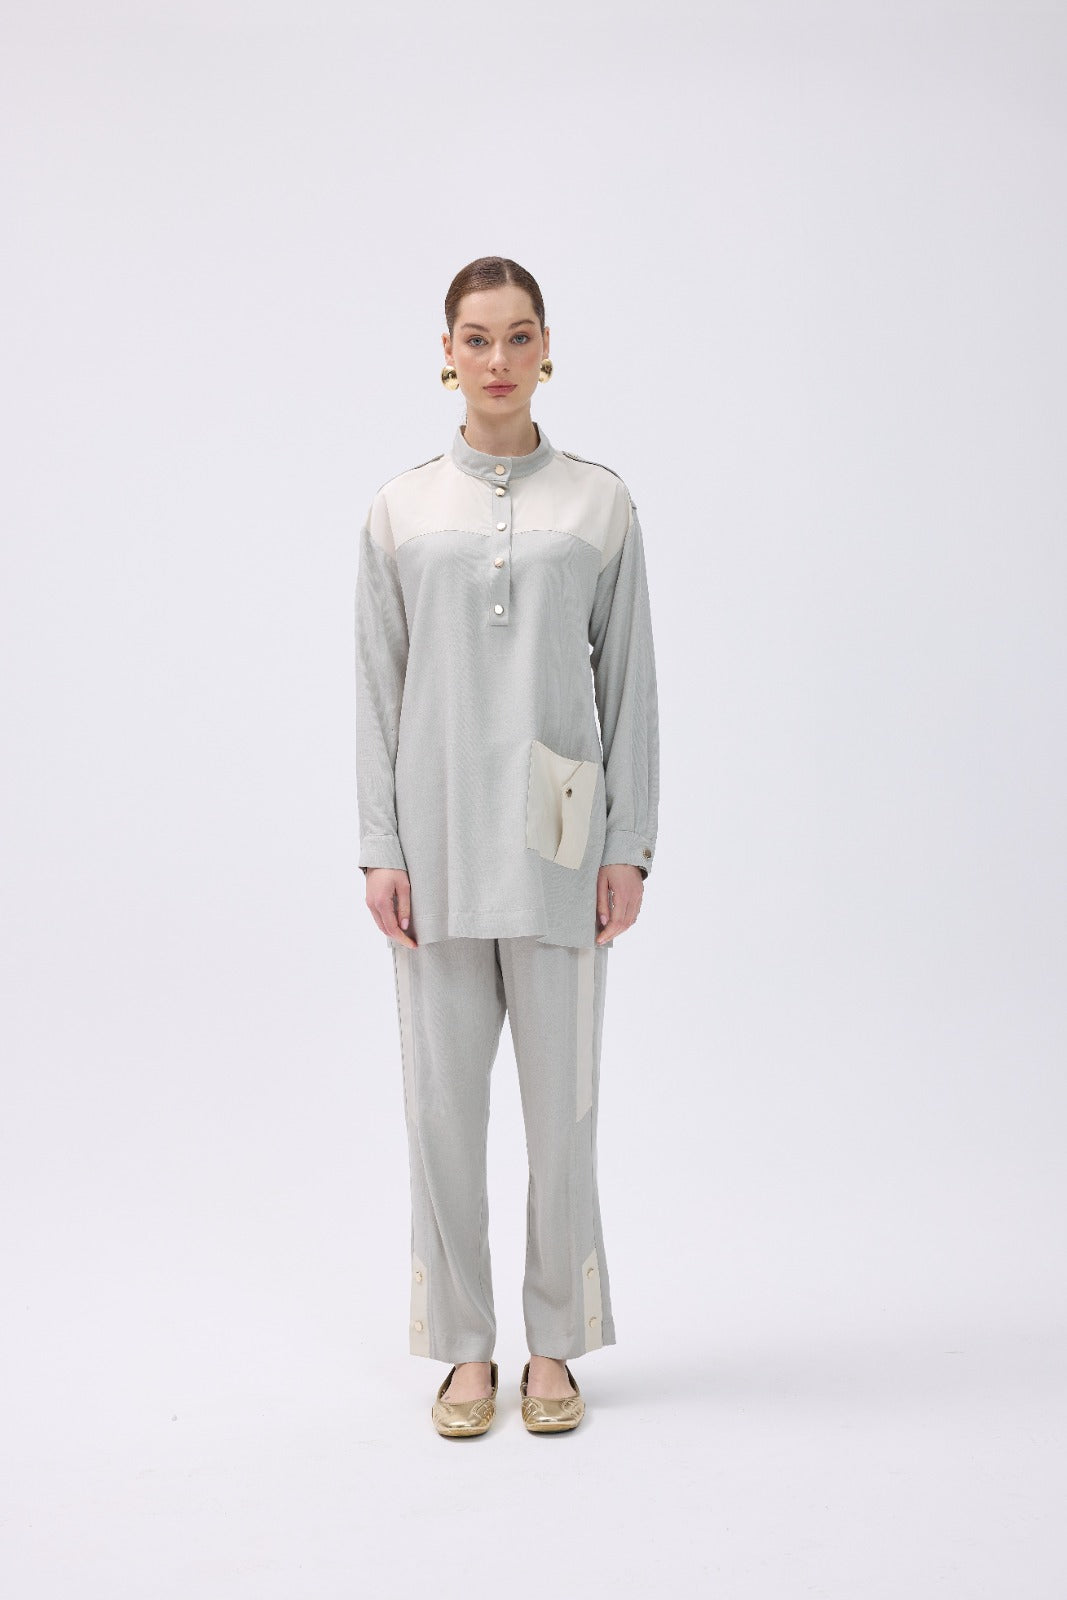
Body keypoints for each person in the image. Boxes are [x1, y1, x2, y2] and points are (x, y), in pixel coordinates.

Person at [354, 256, 660, 1437]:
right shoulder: (399, 508)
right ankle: (463, 1348)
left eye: (517, 335)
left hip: (558, 843)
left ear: (544, 348)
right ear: (447, 352)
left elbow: (629, 683)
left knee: (560, 1113)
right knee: (440, 1112)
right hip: (433, 842)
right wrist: (379, 844)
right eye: (475, 338)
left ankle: (555, 1344)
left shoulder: (598, 502)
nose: (496, 358)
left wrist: (628, 843)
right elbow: (376, 687)